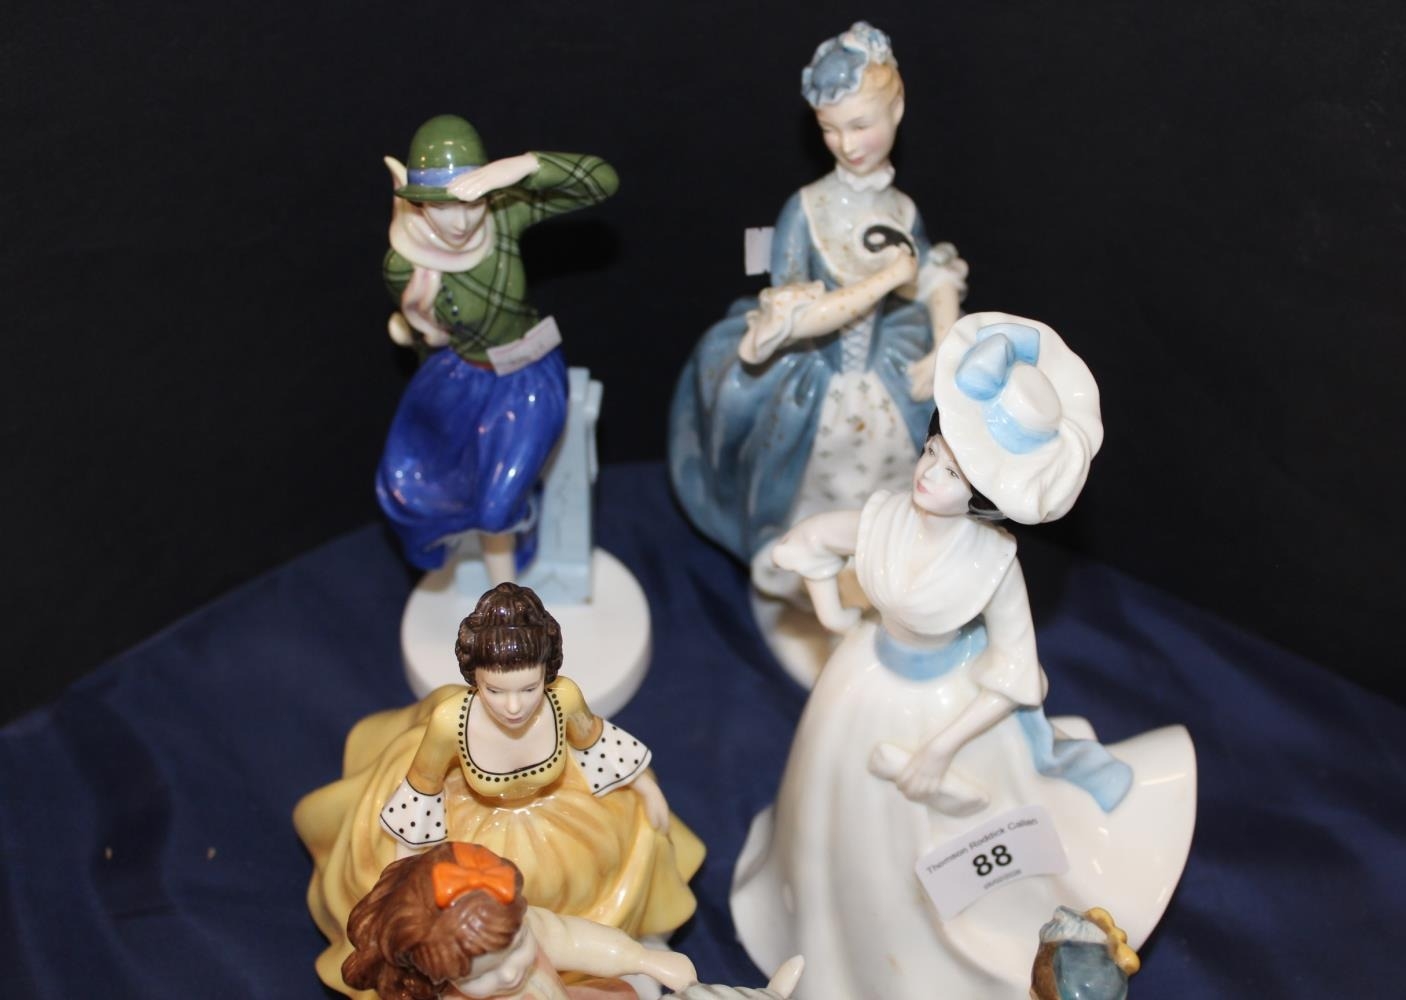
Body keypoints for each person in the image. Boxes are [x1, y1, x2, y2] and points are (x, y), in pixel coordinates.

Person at [729, 313, 1196, 998]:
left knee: (938, 845)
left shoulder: (993, 564)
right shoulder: (885, 517)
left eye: (952, 472)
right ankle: (843, 941)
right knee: (842, 825)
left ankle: (922, 960)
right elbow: (811, 541)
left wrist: (938, 751)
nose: (930, 474)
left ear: (982, 498)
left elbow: (1014, 675)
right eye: (931, 454)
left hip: (949, 705)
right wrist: (830, 610)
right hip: (864, 678)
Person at [669, 22, 969, 601]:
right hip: (812, 377)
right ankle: (806, 582)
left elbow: (934, 275)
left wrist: (942, 343)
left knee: (894, 482)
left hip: (885, 371)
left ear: (897, 109)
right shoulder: (805, 210)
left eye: (860, 124)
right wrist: (884, 280)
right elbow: (795, 317)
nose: (846, 144)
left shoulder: (902, 209)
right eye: (830, 129)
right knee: (806, 484)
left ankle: (876, 581)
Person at [295, 583, 704, 996]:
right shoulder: (451, 722)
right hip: (469, 825)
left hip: (564, 812)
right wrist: (411, 873)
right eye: (495, 691)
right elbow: (422, 789)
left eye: (528, 689)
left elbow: (595, 740)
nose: (513, 707)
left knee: (624, 846)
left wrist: (644, 786)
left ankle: (611, 956)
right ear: (475, 679)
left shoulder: (563, 699)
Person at [378, 114, 619, 581]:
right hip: (460, 378)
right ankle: (496, 582)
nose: (461, 221)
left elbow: (602, 181)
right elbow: (426, 338)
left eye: (472, 202)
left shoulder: (503, 217)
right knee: (409, 481)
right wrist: (416, 337)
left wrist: (525, 166)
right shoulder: (403, 264)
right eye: (443, 206)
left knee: (497, 506)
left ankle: (506, 596)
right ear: (418, 203)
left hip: (527, 377)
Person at [341, 843, 696, 1000]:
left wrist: (643, 959)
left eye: (517, 947)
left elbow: (573, 940)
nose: (510, 973)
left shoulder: (521, 927)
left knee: (620, 993)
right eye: (480, 976)